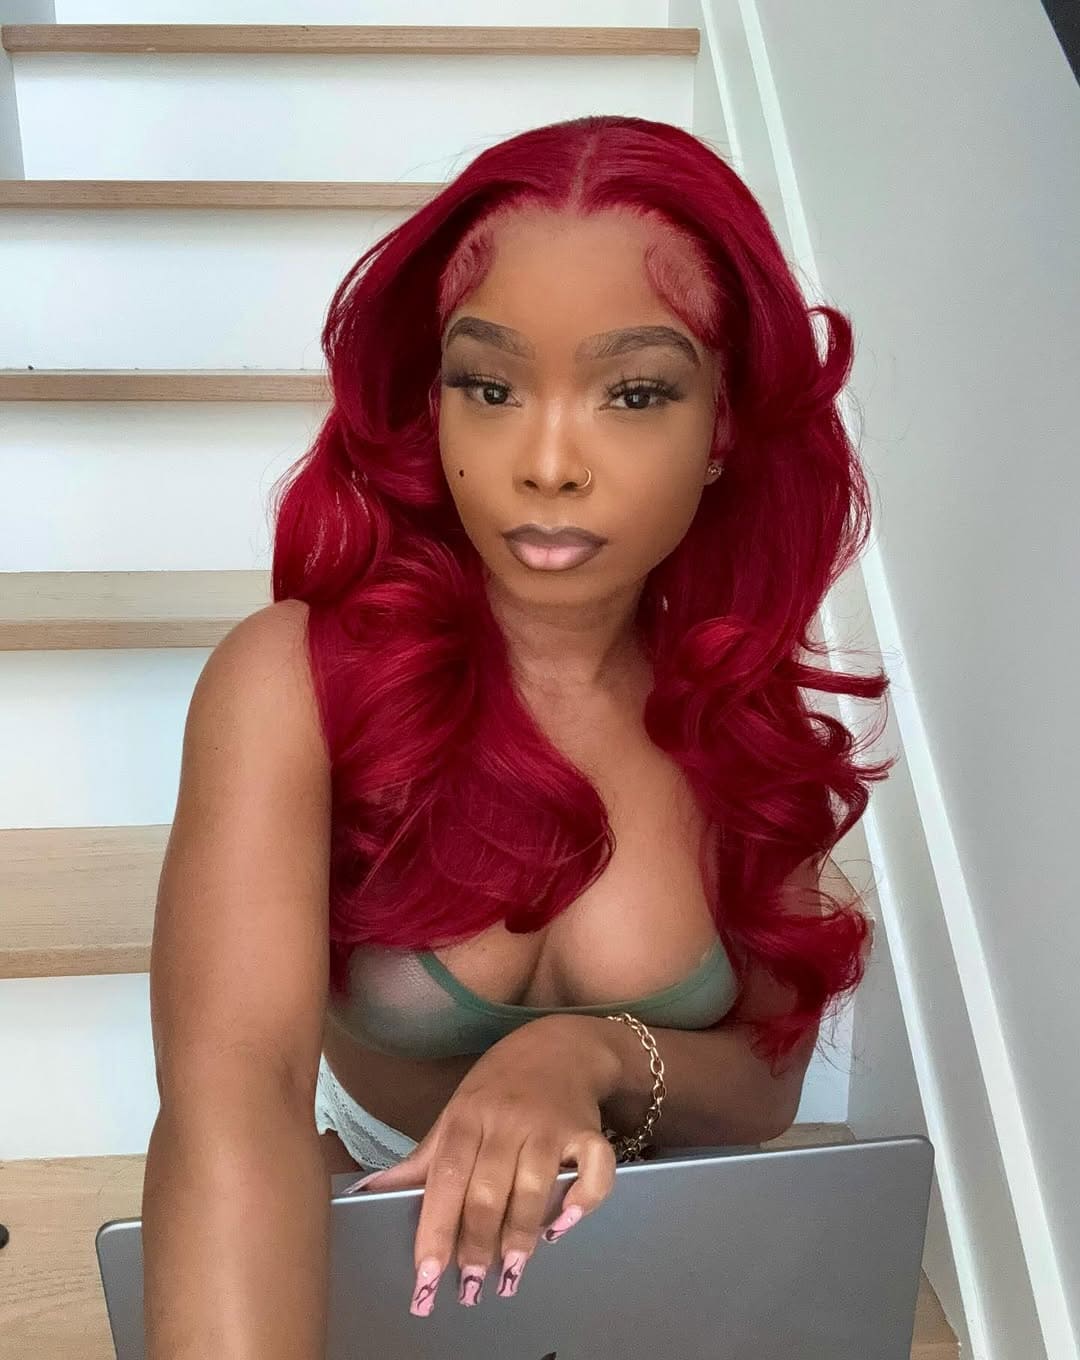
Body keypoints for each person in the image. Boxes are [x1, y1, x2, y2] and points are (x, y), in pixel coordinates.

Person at [141, 113, 893, 1355]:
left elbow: (765, 1087)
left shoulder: (739, 715)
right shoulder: (294, 686)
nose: (547, 463)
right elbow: (234, 1102)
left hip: (671, 1255)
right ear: (430, 403)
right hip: (387, 1238)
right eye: (489, 386)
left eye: (634, 392)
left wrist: (589, 1054)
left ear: (722, 429)